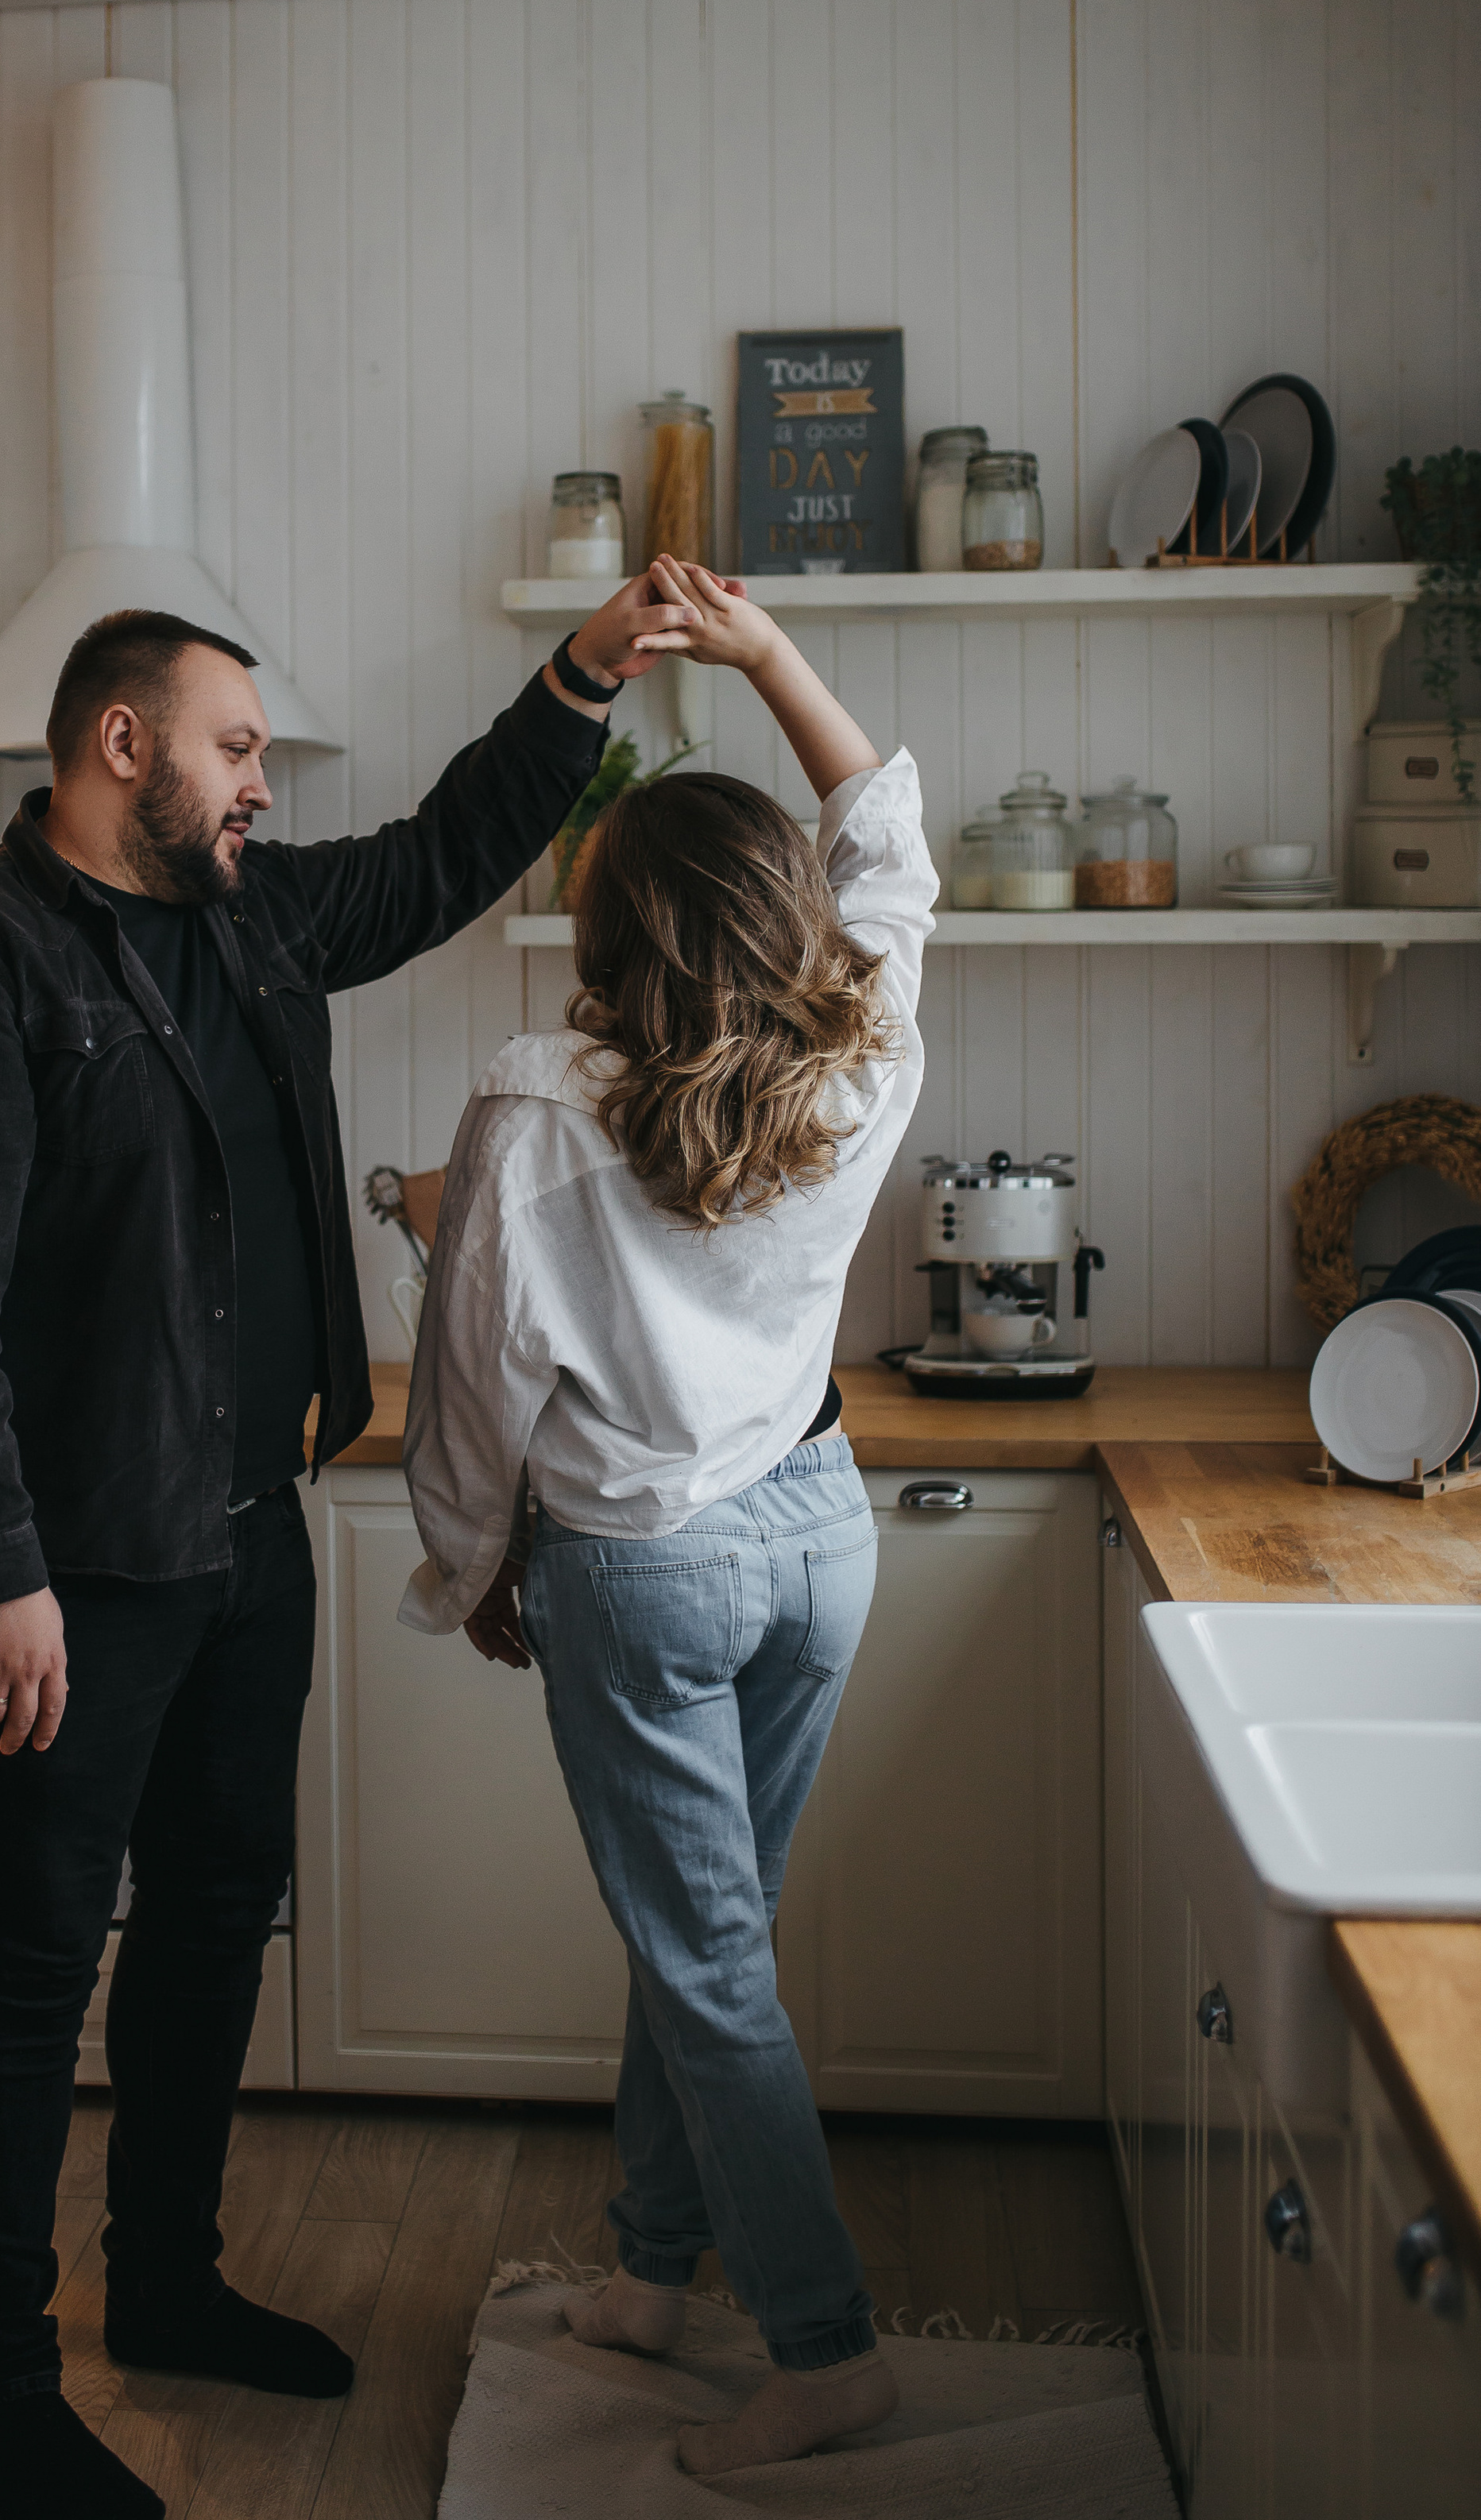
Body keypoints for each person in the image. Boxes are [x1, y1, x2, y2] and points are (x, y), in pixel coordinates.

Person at [0, 580, 693, 2520]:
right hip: (70, 1569)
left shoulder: (258, 920)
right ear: (117, 744)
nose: (260, 788)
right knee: (30, 1966)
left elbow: (449, 852)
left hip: (248, 1530)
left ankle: (168, 2291)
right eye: (234, 751)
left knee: (218, 1919)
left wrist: (581, 675)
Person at [399, 559, 938, 2476]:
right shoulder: (861, 1046)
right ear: (780, 916)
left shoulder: (536, 1100)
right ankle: (646, 2273)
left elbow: (476, 1387)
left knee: (703, 1951)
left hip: (638, 1570)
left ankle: (822, 2348)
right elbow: (891, 845)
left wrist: (465, 1567)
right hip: (819, 1531)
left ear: (597, 923)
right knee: (707, 1940)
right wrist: (765, 652)